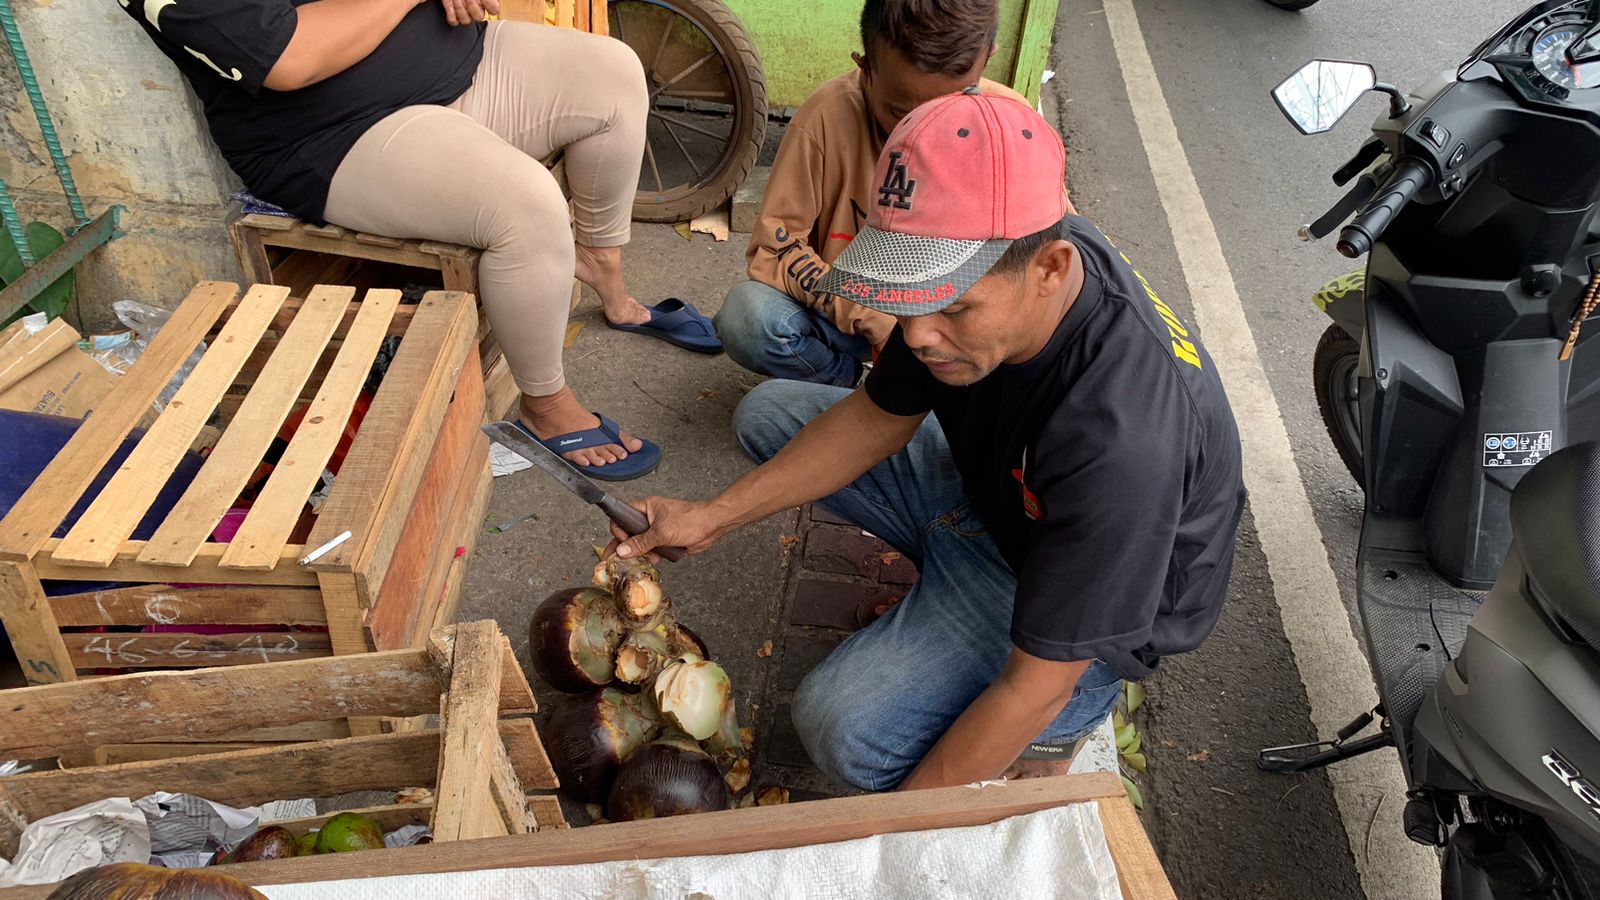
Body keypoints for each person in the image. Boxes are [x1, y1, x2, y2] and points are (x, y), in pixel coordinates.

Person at [611, 92, 1246, 791]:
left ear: (1051, 269)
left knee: (839, 728)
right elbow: (876, 418)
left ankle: (1069, 716)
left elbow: (1032, 686)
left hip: (1071, 587)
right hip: (1007, 497)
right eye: (910, 297)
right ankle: (944, 579)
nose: (916, 335)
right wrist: (710, 517)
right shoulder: (998, 255)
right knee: (769, 415)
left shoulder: (1124, 444)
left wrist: (900, 833)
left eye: (954, 306)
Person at [121, 0, 720, 481]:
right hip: (336, 132)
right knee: (526, 204)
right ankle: (545, 405)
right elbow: (288, 54)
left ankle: (598, 261)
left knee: (614, 72)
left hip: (455, 58)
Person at [714, 0, 1057, 387]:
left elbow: (1051, 258)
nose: (923, 132)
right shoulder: (826, 117)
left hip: (959, 335)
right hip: (860, 324)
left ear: (986, 60)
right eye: (900, 112)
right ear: (866, 69)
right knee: (748, 317)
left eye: (947, 108)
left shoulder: (1010, 124)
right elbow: (775, 247)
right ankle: (857, 386)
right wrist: (868, 314)